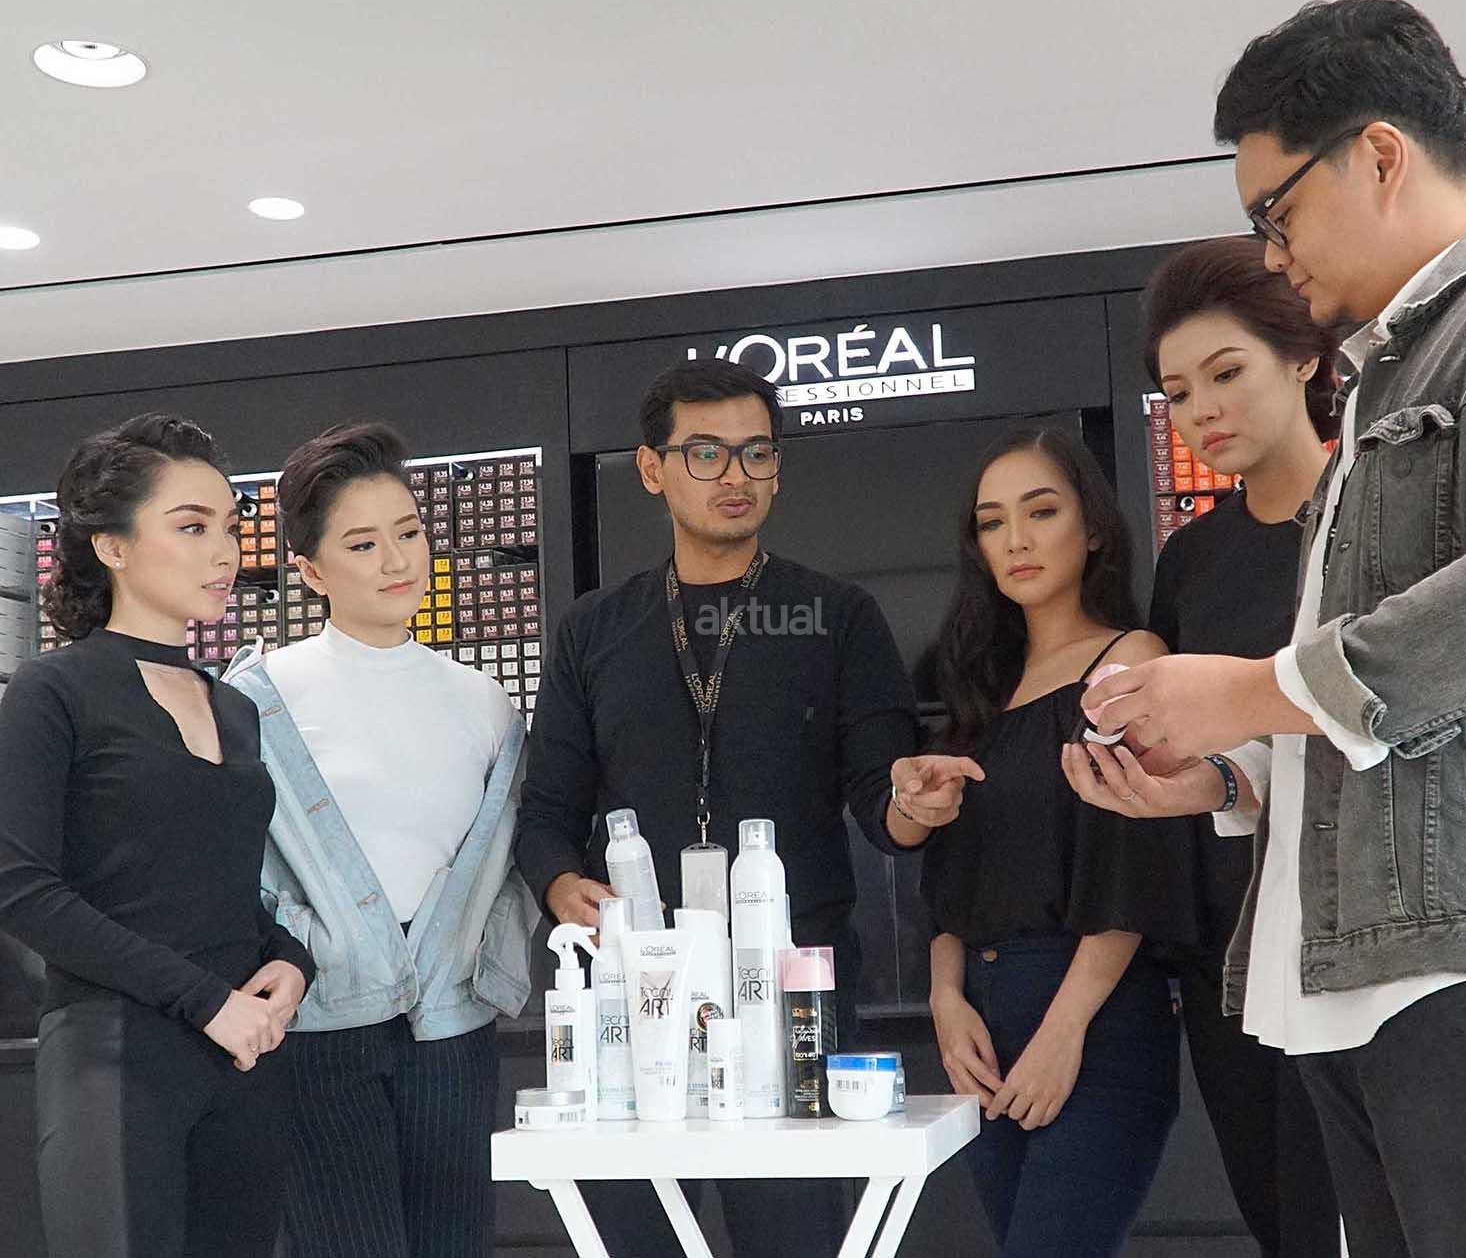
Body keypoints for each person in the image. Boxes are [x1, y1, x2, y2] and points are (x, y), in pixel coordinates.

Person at [1075, 0, 1466, 1258]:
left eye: (1275, 211)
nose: (1271, 255)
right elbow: (1401, 723)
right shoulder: (1381, 380)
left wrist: (1245, 694)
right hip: (1366, 966)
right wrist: (1226, 777)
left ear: (1377, 154)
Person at [513, 359, 956, 1258]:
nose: (735, 475)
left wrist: (916, 804)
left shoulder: (836, 615)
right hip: (637, 987)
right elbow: (547, 810)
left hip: (794, 984)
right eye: (706, 453)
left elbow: (884, 806)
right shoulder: (595, 630)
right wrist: (562, 885)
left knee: (793, 1235)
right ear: (653, 469)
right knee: (636, 1235)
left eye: (757, 452)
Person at [1067, 236, 1344, 1256]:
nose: (1202, 412)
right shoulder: (1192, 558)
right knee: (1279, 1221)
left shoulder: (1369, 521)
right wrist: (1169, 772)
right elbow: (1216, 752)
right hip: (1233, 945)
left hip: (1360, 935)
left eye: (1225, 374)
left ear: (1304, 357)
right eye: (1179, 393)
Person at [0, 413, 317, 1258]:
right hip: (115, 1057)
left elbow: (216, 884)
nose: (225, 552)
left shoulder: (236, 707)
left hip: (243, 1061)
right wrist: (207, 1002)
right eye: (192, 527)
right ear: (113, 546)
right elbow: (25, 894)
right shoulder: (51, 691)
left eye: (230, 527)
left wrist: (290, 960)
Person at [223, 422, 537, 1258]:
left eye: (409, 532)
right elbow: (232, 869)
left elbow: (506, 870)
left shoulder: (484, 701)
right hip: (315, 1028)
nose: (397, 561)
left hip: (452, 1029)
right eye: (362, 544)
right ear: (311, 570)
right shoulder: (258, 698)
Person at [888, 428, 1200, 1258]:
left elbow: (1136, 866)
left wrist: (1065, 1032)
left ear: (1092, 528)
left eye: (1041, 511)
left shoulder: (1131, 660)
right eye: (992, 522)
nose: (1016, 539)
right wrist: (945, 1001)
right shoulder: (981, 686)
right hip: (983, 1028)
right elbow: (949, 875)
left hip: (1093, 1016)